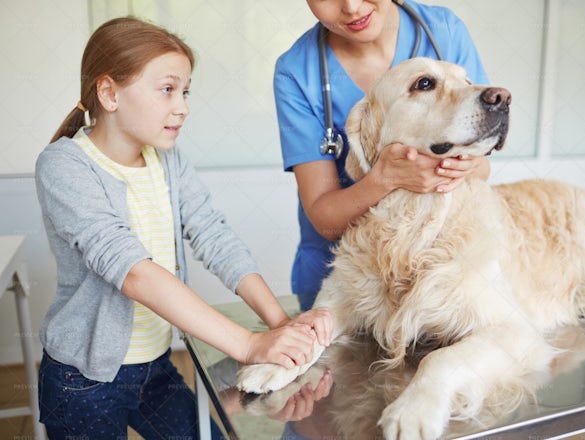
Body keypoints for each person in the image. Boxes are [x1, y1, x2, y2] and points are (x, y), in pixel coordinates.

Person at [35, 16, 332, 439]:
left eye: (185, 91)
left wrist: (278, 322)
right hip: (83, 381)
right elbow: (134, 273)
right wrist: (249, 345)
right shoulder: (64, 166)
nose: (183, 106)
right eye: (168, 89)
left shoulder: (166, 160)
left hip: (156, 367)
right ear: (109, 92)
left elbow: (214, 236)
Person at [274, 0, 492, 311]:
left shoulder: (443, 32)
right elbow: (325, 218)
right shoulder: (297, 71)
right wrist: (384, 179)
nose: (350, 6)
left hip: (444, 275)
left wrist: (466, 165)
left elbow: (481, 166)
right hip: (347, 286)